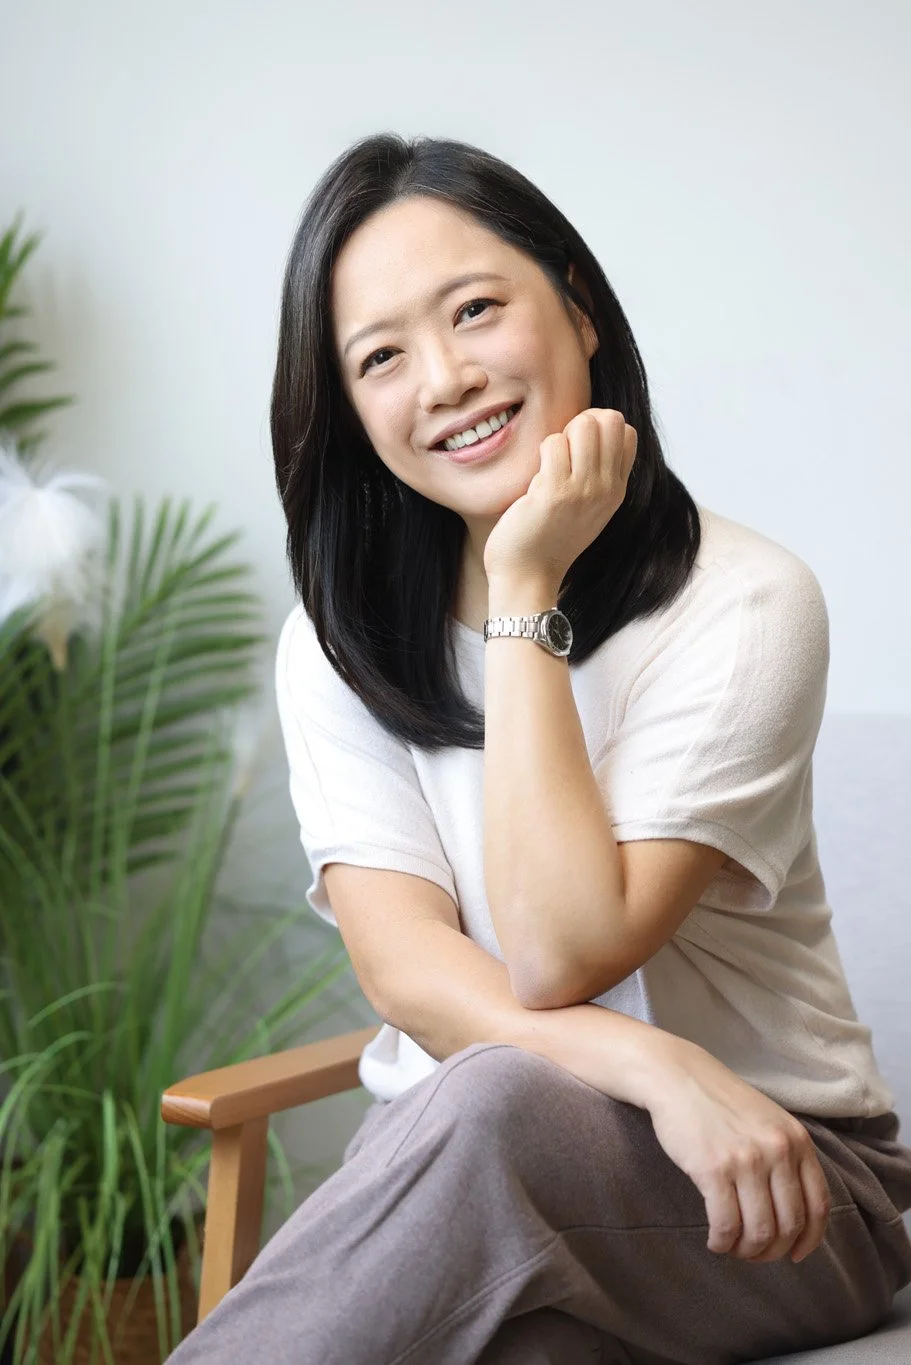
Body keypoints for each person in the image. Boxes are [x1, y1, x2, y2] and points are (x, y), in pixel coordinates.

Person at [167, 133, 911, 1365]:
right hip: (483, 1170)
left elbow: (557, 951)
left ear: (576, 309)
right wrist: (654, 1065)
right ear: (349, 412)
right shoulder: (336, 644)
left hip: (780, 1184)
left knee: (501, 1096)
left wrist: (524, 587)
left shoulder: (745, 605)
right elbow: (409, 971)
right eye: (382, 357)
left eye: (474, 310)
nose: (445, 378)